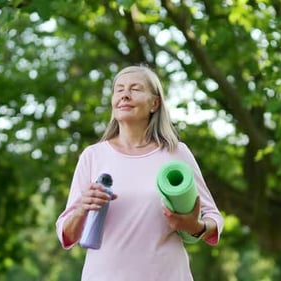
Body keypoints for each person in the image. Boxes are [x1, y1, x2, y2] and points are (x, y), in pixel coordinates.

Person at [56, 65, 224, 281]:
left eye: (135, 89)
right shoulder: (93, 156)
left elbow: (213, 219)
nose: (125, 95)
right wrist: (82, 209)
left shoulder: (176, 152)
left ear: (154, 103)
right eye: (119, 89)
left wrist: (195, 227)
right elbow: (67, 235)